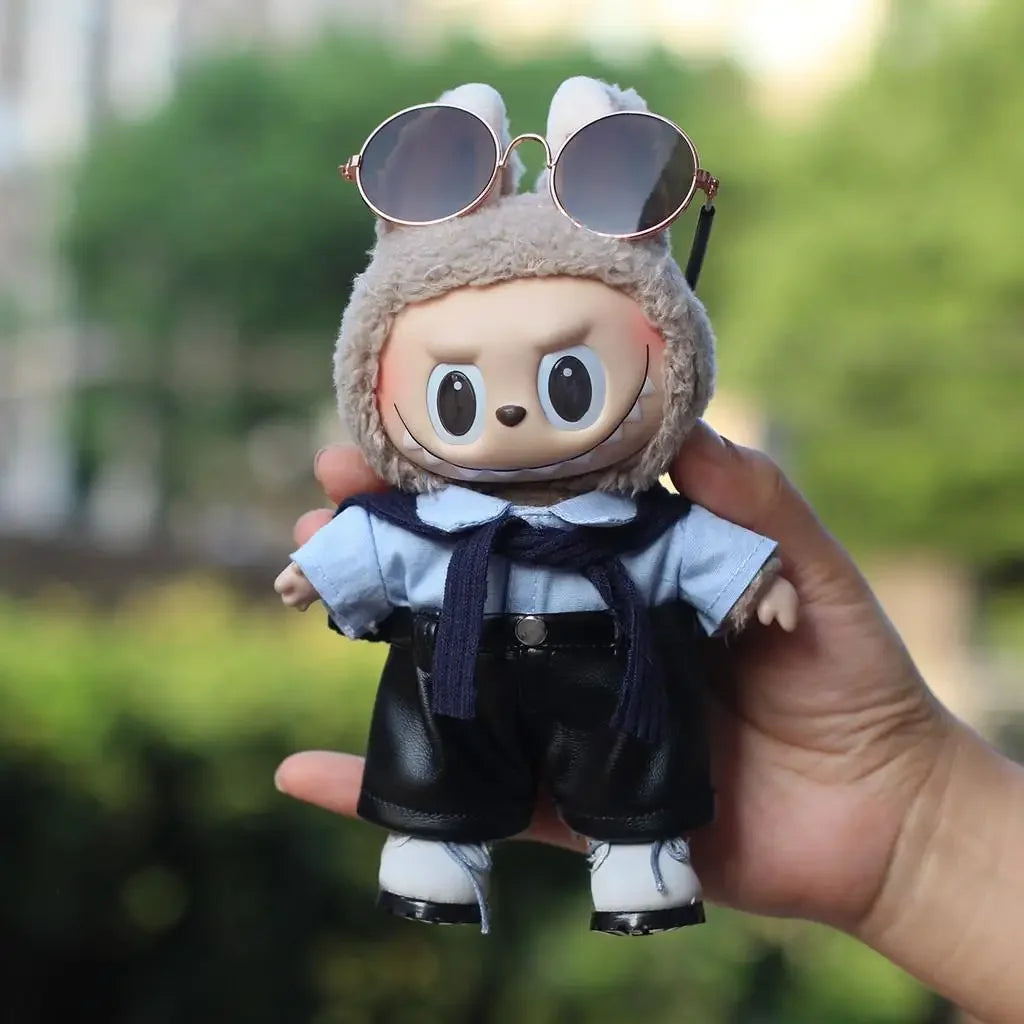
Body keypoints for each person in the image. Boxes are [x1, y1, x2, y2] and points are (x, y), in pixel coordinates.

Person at [274, 424, 1024, 1022]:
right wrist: (317, 570)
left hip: (617, 677)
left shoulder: (644, 525)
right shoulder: (424, 523)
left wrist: (755, 587)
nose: (510, 412)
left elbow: (702, 552)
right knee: (439, 763)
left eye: (570, 384)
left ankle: (642, 859)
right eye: (458, 391)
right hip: (455, 675)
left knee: (637, 763)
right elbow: (371, 543)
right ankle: (436, 846)